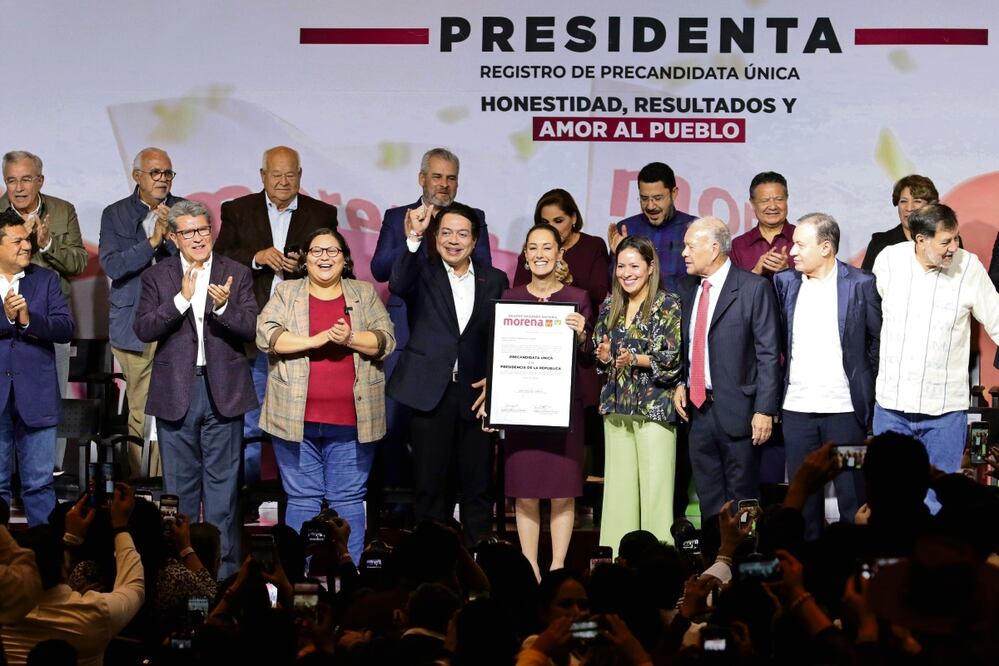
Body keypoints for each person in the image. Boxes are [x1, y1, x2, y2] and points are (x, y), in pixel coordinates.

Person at [133, 200, 258, 577]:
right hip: (176, 392)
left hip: (224, 391)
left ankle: (223, 575)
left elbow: (253, 328)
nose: (198, 238)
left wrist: (222, 309)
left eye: (203, 230)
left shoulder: (235, 272)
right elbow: (144, 329)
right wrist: (181, 301)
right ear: (173, 237)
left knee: (223, 495)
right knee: (179, 493)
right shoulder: (157, 277)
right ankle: (181, 572)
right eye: (188, 232)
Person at [257, 227, 395, 561]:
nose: (324, 258)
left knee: (347, 499)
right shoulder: (287, 292)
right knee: (302, 499)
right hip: (295, 420)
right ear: (304, 259)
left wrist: (349, 338)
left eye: (332, 251)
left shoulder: (362, 293)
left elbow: (385, 340)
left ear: (345, 259)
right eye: (317, 251)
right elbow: (267, 336)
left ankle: (352, 578)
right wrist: (314, 340)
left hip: (352, 421)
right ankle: (297, 581)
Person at [369, 147, 492, 506]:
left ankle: (447, 512)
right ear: (422, 178)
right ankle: (396, 507)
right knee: (393, 429)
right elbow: (381, 270)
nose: (444, 184)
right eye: (437, 176)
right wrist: (415, 238)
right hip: (408, 338)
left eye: (451, 177)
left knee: (452, 438)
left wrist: (450, 239)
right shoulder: (398, 217)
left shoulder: (472, 217)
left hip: (454, 346)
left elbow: (483, 270)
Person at [214, 145, 339, 482]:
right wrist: (257, 257)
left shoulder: (321, 214)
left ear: (300, 176)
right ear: (262, 176)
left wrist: (307, 266)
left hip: (301, 335)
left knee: (301, 420)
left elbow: (339, 264)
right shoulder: (237, 210)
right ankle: (250, 498)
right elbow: (220, 258)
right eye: (276, 174)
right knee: (250, 422)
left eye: (290, 174)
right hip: (252, 334)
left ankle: (298, 495)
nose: (284, 181)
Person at [387, 203, 508, 544]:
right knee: (429, 488)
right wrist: (413, 236)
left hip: (476, 396)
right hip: (429, 395)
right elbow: (397, 282)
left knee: (478, 488)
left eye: (462, 234)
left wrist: (495, 381)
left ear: (474, 240)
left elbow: (502, 337)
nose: (453, 240)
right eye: (446, 232)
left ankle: (479, 568)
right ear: (435, 236)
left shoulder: (494, 279)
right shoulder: (420, 272)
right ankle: (433, 572)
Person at [871, 203, 999, 510]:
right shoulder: (889, 261)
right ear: (920, 240)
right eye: (946, 241)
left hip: (944, 413)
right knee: (890, 499)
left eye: (955, 238)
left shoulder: (969, 267)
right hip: (892, 408)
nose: (954, 247)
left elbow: (997, 318)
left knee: (939, 503)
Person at [774, 213, 881, 540]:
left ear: (825, 247)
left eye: (800, 245)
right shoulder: (785, 283)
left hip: (846, 412)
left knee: (853, 495)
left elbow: (877, 340)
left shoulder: (861, 283)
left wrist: (866, 380)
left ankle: (855, 571)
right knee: (803, 498)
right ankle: (805, 571)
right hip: (797, 412)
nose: (792, 251)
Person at [673, 217, 780, 523]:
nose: (684, 253)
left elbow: (769, 355)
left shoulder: (753, 288)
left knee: (743, 499)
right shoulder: (686, 289)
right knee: (709, 499)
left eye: (691, 246)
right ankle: (714, 563)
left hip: (741, 412)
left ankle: (744, 565)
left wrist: (764, 410)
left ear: (715, 247)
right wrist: (682, 381)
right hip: (698, 411)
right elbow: (685, 345)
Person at [502, 223, 592, 578]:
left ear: (559, 254)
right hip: (521, 407)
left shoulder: (578, 297)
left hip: (563, 407)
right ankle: (530, 569)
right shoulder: (510, 299)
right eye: (533, 248)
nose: (540, 254)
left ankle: (556, 568)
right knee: (525, 490)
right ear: (525, 255)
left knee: (562, 491)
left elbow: (589, 355)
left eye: (547, 248)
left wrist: (583, 332)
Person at [514, 189, 610, 497]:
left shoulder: (592, 247)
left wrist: (565, 287)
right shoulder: (531, 256)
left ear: (573, 219)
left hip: (576, 354)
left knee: (574, 444)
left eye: (558, 221)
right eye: (545, 222)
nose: (553, 227)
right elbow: (518, 297)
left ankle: (577, 499)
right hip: (532, 361)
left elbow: (600, 294)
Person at [593, 236, 681, 555]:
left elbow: (670, 358)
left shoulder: (666, 303)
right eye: (621, 266)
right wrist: (604, 354)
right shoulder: (610, 304)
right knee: (618, 494)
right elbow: (598, 349)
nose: (626, 273)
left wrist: (634, 358)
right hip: (616, 408)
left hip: (653, 409)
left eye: (634, 266)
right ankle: (617, 561)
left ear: (650, 267)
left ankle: (660, 565)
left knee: (655, 494)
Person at [99, 147, 183, 477]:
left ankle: (171, 483)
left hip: (176, 325)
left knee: (175, 405)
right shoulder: (115, 214)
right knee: (141, 407)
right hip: (131, 327)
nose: (163, 180)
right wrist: (150, 243)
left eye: (168, 174)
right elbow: (113, 266)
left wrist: (171, 240)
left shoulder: (185, 210)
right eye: (156, 173)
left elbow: (198, 263)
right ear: (137, 176)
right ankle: (143, 483)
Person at [1, 151, 87, 472]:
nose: (19, 188)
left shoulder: (63, 211)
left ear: (40, 181)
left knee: (49, 401)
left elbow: (78, 263)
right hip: (3, 322)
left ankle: (46, 471)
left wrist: (48, 244)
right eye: (11, 180)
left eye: (26, 179)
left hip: (49, 324)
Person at [2, 485, 143, 666]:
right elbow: (134, 586)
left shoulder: (4, 614)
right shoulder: (94, 615)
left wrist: (69, 540)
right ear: (63, 567)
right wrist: (121, 527)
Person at [0, 208, 74, 526]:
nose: (27, 246)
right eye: (17, 240)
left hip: (37, 397)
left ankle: (47, 566)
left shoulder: (45, 280)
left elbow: (65, 327)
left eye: (28, 240)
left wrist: (28, 320)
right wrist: (5, 317)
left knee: (40, 486)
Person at [606, 162, 695, 292]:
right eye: (644, 198)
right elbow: (612, 287)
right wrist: (619, 255)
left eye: (657, 198)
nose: (650, 206)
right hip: (635, 311)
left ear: (674, 193)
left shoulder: (694, 229)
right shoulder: (626, 229)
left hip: (681, 310)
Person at [861, 174, 939, 272]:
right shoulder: (880, 243)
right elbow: (865, 284)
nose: (909, 208)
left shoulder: (946, 241)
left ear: (930, 206)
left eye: (917, 201)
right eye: (903, 201)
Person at [730, 171, 795, 278]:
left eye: (779, 199)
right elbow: (730, 291)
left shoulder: (804, 241)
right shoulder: (738, 246)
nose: (773, 206)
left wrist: (787, 272)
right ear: (752, 203)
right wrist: (755, 273)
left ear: (787, 199)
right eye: (765, 201)